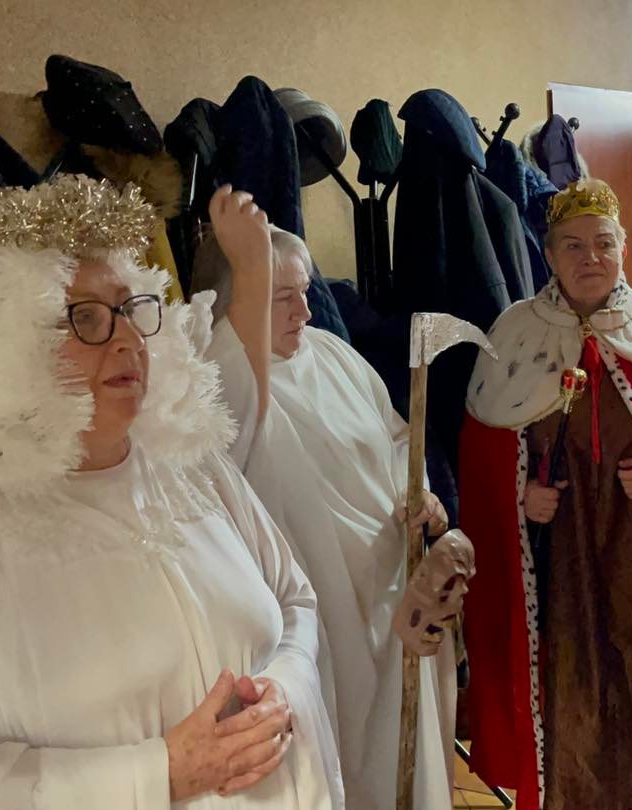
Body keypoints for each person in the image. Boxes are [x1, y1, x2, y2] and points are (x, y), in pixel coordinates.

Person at [0, 176, 341, 807]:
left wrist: (283, 689)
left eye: (127, 308)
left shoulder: (192, 466)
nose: (127, 340)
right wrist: (159, 774)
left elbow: (295, 600)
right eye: (84, 318)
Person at [192, 204, 472, 809]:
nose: (306, 311)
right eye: (282, 297)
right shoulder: (218, 376)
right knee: (342, 755)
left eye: (305, 291)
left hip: (394, 591)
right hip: (318, 607)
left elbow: (398, 439)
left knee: (406, 758)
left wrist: (419, 492)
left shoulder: (332, 353)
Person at [458, 178, 632, 809]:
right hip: (556, 558)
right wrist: (519, 497)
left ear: (624, 248)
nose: (590, 257)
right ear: (548, 254)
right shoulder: (514, 334)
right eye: (572, 245)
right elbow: (481, 456)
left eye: (603, 243)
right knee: (565, 678)